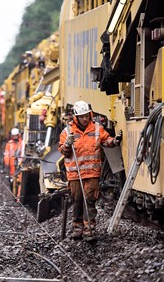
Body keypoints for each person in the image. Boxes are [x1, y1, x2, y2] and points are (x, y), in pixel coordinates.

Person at [58, 100, 122, 241]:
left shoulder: (97, 128)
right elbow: (63, 152)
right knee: (77, 200)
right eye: (82, 116)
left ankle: (89, 230)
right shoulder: (67, 131)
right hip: (75, 174)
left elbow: (106, 140)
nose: (85, 119)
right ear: (76, 117)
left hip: (92, 173)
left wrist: (115, 141)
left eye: (87, 115)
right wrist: (67, 144)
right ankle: (77, 228)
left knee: (90, 200)